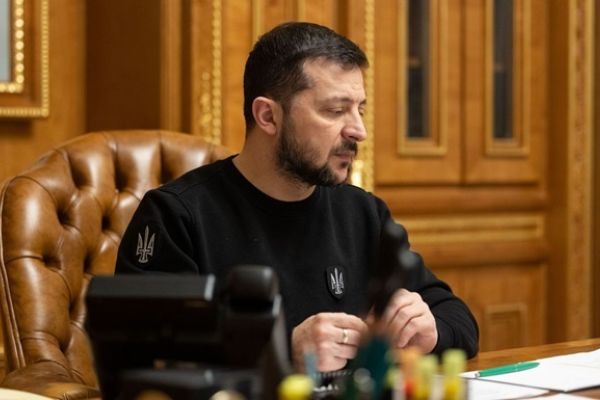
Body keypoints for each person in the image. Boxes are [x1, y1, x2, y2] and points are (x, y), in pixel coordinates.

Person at [115, 21, 479, 372]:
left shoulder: (363, 212)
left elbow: (458, 319)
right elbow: (144, 353)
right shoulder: (176, 216)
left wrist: (430, 330)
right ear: (268, 116)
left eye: (360, 110)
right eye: (336, 111)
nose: (359, 130)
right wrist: (282, 350)